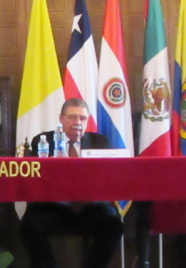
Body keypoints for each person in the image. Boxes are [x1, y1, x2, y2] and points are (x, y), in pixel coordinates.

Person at [19, 97, 123, 268]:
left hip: (91, 208)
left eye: (82, 118)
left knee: (114, 225)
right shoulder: (43, 141)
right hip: (56, 209)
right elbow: (32, 177)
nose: (78, 123)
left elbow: (111, 176)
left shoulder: (100, 143)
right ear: (61, 119)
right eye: (72, 117)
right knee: (28, 226)